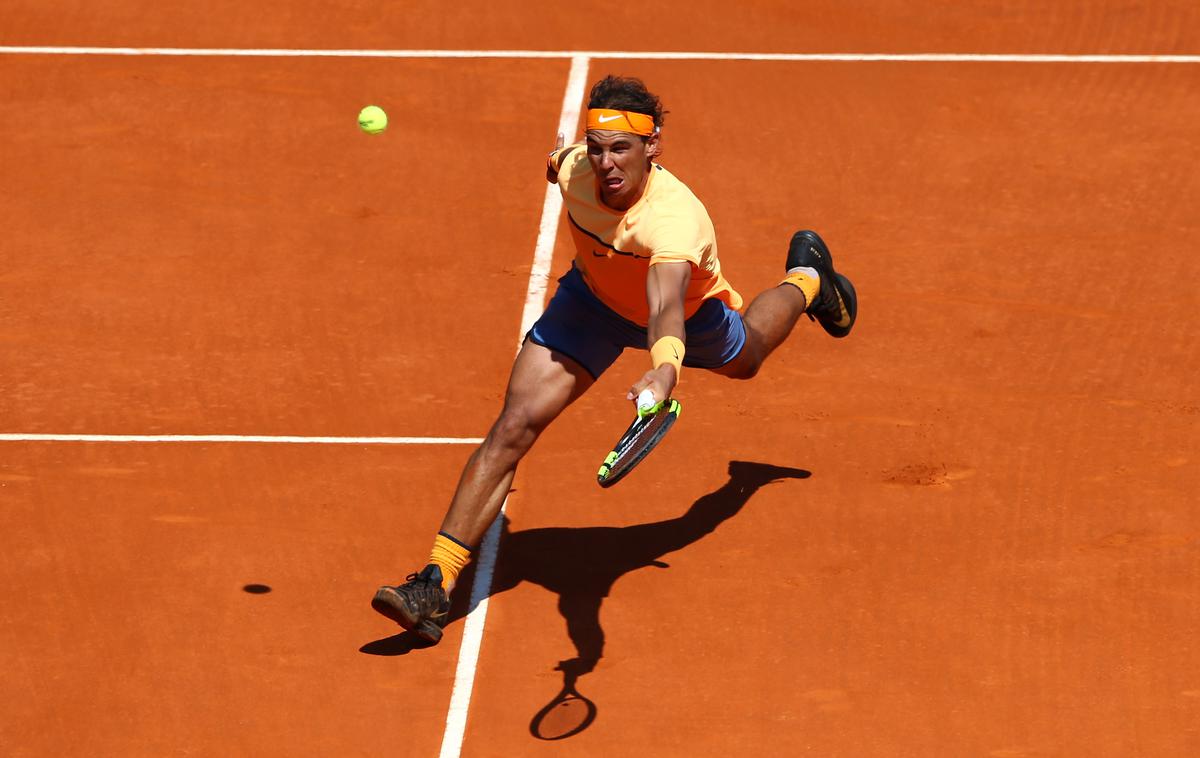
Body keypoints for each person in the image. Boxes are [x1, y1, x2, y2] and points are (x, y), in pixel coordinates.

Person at [371, 75, 857, 644]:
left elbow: (666, 307)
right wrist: (566, 158)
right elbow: (558, 161)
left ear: (652, 147)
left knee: (746, 357)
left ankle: (808, 279)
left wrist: (665, 368)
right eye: (597, 148)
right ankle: (433, 583)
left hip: (685, 313)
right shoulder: (574, 166)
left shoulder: (674, 219)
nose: (605, 163)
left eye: (620, 148)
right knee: (513, 426)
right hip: (591, 305)